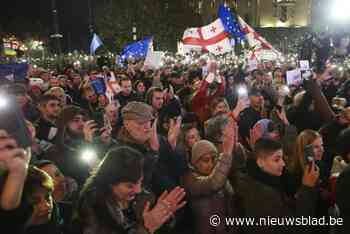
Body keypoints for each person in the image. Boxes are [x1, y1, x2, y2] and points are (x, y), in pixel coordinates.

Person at [77, 146, 186, 234]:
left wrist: (163, 219)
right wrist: (146, 228)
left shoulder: (140, 197)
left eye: (139, 182)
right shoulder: (93, 203)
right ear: (110, 181)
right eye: (130, 186)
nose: (138, 190)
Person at [236, 138, 319, 234]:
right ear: (260, 162)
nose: (283, 164)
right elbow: (297, 228)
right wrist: (307, 188)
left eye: (282, 158)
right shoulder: (264, 195)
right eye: (277, 159)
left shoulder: (259, 179)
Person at [182, 118, 240, 234]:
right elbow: (213, 183)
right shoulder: (190, 179)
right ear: (195, 162)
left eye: (214, 159)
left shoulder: (220, 174)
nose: (211, 164)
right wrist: (227, 153)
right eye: (205, 160)